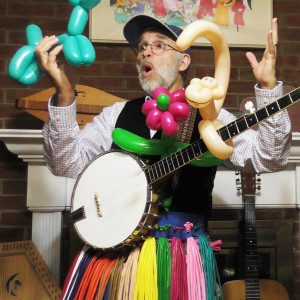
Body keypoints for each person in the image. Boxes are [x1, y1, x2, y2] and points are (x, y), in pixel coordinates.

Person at [36, 15, 291, 299]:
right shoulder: (117, 114)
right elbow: (64, 162)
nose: (146, 51)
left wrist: (269, 89)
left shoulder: (212, 116)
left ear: (183, 62)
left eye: (159, 45)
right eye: (142, 46)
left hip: (182, 259)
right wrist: (64, 93)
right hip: (114, 256)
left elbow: (270, 157)